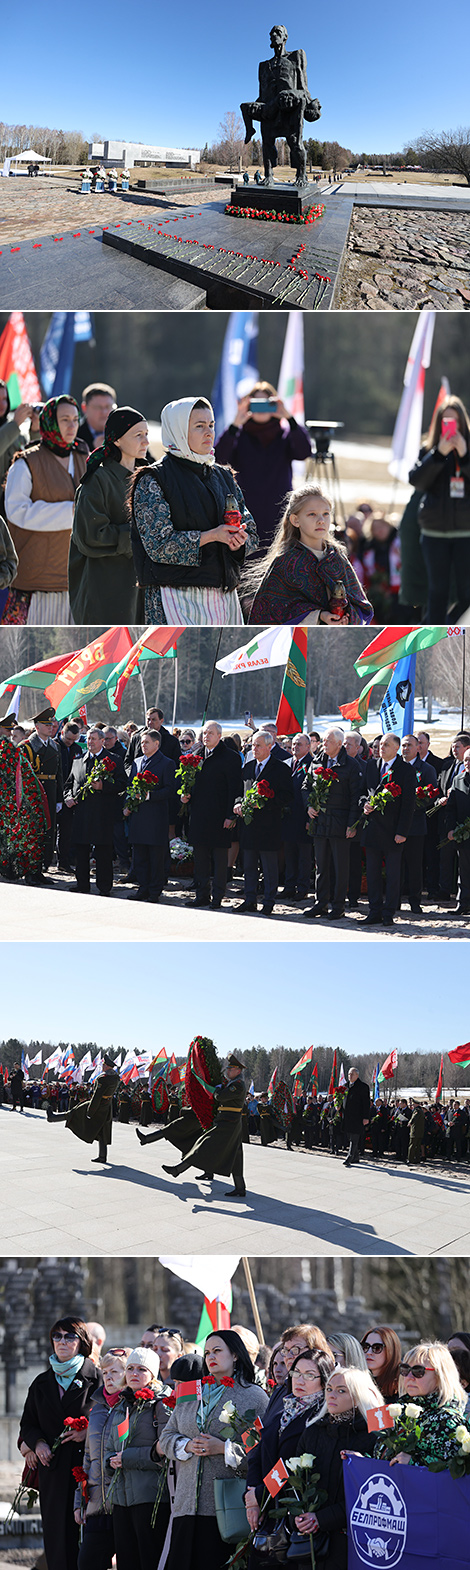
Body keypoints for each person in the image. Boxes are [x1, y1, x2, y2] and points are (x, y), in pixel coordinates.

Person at [130, 396, 258, 624]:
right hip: (174, 596)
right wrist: (212, 536)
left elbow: (252, 533)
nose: (208, 433)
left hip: (224, 598)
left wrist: (238, 542)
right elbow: (158, 545)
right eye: (199, 426)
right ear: (178, 430)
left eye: (211, 425)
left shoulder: (223, 476)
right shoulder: (154, 479)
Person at [158, 1329, 268, 1570]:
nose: (211, 1357)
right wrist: (186, 1445)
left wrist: (223, 1448)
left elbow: (261, 1452)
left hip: (224, 1508)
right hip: (185, 1505)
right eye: (207, 1352)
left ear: (236, 1355)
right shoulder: (190, 1392)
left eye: (218, 1351)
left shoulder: (254, 1397)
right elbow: (166, 1438)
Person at [19, 1316, 100, 1570]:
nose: (62, 1342)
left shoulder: (96, 1378)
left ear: (82, 1342)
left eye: (69, 1336)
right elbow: (28, 1424)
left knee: (85, 1544)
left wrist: (88, 1433)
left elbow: (111, 1417)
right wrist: (38, 1443)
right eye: (57, 1336)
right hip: (52, 1473)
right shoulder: (41, 1383)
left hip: (86, 1472)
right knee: (56, 1543)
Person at [4, 396, 88, 624]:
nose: (72, 426)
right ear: (50, 423)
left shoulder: (84, 458)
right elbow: (17, 511)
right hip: (37, 582)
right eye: (64, 420)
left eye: (74, 419)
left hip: (76, 580)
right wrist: (71, 512)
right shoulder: (26, 463)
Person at [291, 1366, 383, 1568]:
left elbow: (368, 1496)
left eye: (342, 1391)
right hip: (310, 1540)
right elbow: (295, 1481)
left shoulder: (372, 1438)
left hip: (351, 1543)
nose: (332, 1395)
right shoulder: (313, 1430)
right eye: (330, 1389)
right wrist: (298, 1516)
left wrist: (322, 1519)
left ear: (358, 1397)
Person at [246, 485, 373, 624]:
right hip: (300, 641)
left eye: (326, 514)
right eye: (312, 514)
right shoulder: (286, 562)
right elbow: (269, 612)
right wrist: (318, 616)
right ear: (295, 520)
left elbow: (359, 604)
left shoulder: (337, 558)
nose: (321, 520)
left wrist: (346, 616)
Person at [245, 1348, 335, 1544]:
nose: (300, 1380)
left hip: (296, 1516)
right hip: (267, 1511)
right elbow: (258, 1453)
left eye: (309, 1375)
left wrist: (260, 1495)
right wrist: (251, 1496)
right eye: (296, 1373)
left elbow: (292, 1465)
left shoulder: (320, 1418)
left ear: (324, 1379)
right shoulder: (284, 1409)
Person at [69, 407, 148, 623]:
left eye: (146, 434)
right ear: (117, 440)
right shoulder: (98, 480)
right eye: (138, 435)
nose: (146, 442)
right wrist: (137, 537)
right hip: (103, 592)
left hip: (139, 590)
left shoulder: (147, 480)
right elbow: (90, 537)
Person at [214, 381, 311, 552]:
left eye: (266, 404)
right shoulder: (239, 435)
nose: (261, 409)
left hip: (279, 510)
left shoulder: (285, 436)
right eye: (255, 404)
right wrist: (236, 422)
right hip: (247, 510)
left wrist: (289, 417)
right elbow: (219, 457)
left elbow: (304, 451)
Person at [104, 1346, 170, 1570]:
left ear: (152, 1374)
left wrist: (128, 1458)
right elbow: (109, 1445)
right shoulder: (120, 1404)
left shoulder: (161, 1404)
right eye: (130, 1368)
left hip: (150, 1498)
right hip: (121, 1499)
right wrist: (109, 1461)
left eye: (141, 1369)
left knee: (149, 1560)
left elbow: (166, 1450)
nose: (134, 1373)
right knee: (126, 1562)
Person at [409, 395, 470, 623]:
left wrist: (464, 456)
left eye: (454, 422)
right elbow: (417, 481)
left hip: (466, 534)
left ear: (463, 423)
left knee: (467, 596)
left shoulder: (468, 448)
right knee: (437, 594)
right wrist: (438, 455)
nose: (450, 427)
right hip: (434, 534)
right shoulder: (429, 450)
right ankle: (432, 643)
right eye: (446, 422)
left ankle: (451, 628)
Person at [74, 1346, 130, 1570]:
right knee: (87, 1562)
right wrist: (80, 1502)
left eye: (115, 1372)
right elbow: (87, 1458)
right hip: (97, 1505)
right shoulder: (96, 1409)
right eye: (105, 1372)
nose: (108, 1378)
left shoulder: (134, 1405)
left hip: (124, 1505)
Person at [162, 1054, 247, 1199]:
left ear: (238, 1070)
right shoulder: (234, 1084)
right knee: (236, 1154)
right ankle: (240, 1187)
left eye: (230, 1069)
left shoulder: (237, 1085)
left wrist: (218, 1090)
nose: (228, 1071)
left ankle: (178, 1169)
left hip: (228, 1122)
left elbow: (221, 1097)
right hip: (230, 1121)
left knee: (204, 1144)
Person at [302, 725, 362, 921]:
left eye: (327, 741)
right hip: (319, 823)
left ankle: (338, 906)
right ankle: (321, 903)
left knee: (340, 866)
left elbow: (355, 798)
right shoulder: (316, 762)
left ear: (339, 744)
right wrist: (309, 806)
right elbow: (306, 787)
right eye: (323, 740)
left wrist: (351, 825)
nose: (323, 743)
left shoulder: (351, 766)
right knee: (321, 866)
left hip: (340, 822)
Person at [181, 720, 242, 909]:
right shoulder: (196, 756)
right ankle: (202, 895)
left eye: (210, 733)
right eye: (204, 733)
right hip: (199, 815)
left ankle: (217, 896)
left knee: (220, 860)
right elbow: (188, 781)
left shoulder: (230, 757)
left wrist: (230, 816)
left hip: (220, 816)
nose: (205, 736)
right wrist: (185, 795)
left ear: (219, 736)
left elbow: (235, 788)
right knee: (200, 859)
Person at [376, 1341, 467, 1467]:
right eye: (405, 1369)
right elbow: (380, 1457)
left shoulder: (449, 1420)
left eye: (418, 1371)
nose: (409, 1376)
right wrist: (360, 1460)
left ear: (440, 1376)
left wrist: (414, 1462)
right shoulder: (394, 1410)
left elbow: (453, 1473)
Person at [233, 727, 294, 914]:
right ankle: (250, 899)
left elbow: (287, 796)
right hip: (249, 825)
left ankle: (269, 901)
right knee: (249, 866)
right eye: (253, 745)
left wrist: (266, 803)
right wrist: (238, 804)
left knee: (269, 867)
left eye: (258, 745)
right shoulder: (249, 767)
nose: (254, 749)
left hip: (269, 826)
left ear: (270, 746)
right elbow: (239, 792)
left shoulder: (280, 768)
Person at [63, 725, 127, 896]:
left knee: (103, 853)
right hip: (82, 814)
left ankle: (104, 886)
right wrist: (68, 796)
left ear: (102, 741)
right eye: (88, 739)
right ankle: (82, 884)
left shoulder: (113, 760)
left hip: (103, 815)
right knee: (81, 852)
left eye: (93, 739)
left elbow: (122, 784)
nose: (89, 742)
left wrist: (103, 786)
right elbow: (69, 784)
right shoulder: (78, 761)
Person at [360, 732, 416, 927]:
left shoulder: (405, 770)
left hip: (393, 831)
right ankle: (374, 910)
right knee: (373, 873)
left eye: (385, 745)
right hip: (373, 829)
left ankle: (388, 912)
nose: (380, 748)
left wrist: (402, 831)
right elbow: (363, 793)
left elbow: (409, 805)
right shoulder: (371, 766)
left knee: (393, 874)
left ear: (396, 748)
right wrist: (365, 804)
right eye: (379, 745)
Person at [123, 727, 175, 902]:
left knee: (155, 857)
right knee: (140, 856)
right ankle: (142, 888)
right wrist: (128, 805)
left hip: (155, 817)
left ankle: (154, 891)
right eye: (141, 742)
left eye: (146, 742)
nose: (143, 745)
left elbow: (170, 790)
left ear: (156, 744)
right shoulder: (137, 762)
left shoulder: (166, 763)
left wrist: (149, 795)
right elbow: (130, 787)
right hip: (138, 817)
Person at [47, 1056, 120, 1164]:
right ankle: (102, 1156)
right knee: (103, 1131)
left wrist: (90, 1111)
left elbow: (97, 1096)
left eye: (103, 1065)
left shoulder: (103, 1078)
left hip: (99, 1105)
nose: (102, 1066)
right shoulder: (116, 1077)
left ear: (107, 1066)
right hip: (107, 1106)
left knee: (76, 1111)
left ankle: (53, 1118)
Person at [22, 705, 64, 880]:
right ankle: (31, 871)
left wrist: (59, 798)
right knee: (34, 831)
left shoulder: (54, 746)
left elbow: (59, 774)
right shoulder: (27, 746)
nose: (50, 727)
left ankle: (40, 868)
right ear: (37, 726)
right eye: (46, 724)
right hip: (34, 794)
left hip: (51, 792)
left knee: (48, 831)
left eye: (51, 724)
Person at [399, 734, 437, 916]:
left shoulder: (426, 769)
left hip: (415, 824)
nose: (405, 749)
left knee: (414, 865)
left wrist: (414, 803)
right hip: (396, 825)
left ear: (418, 748)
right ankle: (394, 899)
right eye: (403, 745)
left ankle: (415, 901)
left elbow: (431, 795)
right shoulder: (395, 767)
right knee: (395, 864)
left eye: (409, 745)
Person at [282, 733, 313, 900]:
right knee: (290, 855)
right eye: (294, 744)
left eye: (299, 744)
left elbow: (312, 792)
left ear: (308, 747)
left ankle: (302, 888)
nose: (295, 747)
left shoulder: (312, 765)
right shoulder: (289, 763)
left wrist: (310, 819)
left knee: (303, 856)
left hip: (303, 817)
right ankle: (289, 886)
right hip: (288, 817)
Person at [447, 745, 470, 916]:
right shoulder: (458, 779)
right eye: (466, 759)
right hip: (463, 833)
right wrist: (451, 829)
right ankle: (463, 903)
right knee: (464, 870)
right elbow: (451, 808)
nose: (468, 763)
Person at [360, 1327, 401, 1400]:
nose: (369, 1353)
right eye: (365, 1346)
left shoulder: (403, 1383)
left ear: (391, 1350)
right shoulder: (356, 1380)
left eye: (377, 1348)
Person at [342, 1068, 370, 1168]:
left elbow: (366, 1103)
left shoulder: (363, 1087)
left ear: (357, 1075)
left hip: (357, 1117)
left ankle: (350, 1156)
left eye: (352, 1074)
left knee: (354, 1137)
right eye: (349, 1074)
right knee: (350, 1136)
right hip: (347, 1117)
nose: (350, 1076)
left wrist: (366, 1117)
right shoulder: (345, 1086)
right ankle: (356, 1157)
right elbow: (342, 1099)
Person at [79, 383, 117, 449]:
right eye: (98, 407)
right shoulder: (73, 434)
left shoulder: (122, 434)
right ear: (84, 408)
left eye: (108, 407)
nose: (104, 412)